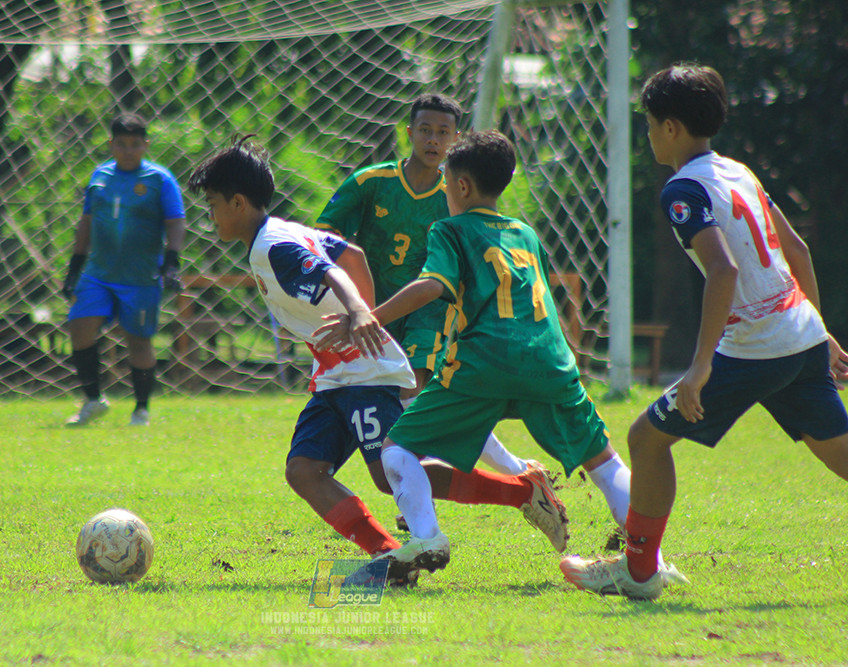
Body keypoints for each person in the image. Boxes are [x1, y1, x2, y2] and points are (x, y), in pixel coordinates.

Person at [187, 136, 568, 583]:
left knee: (390, 474)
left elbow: (332, 271)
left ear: (236, 202)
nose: (209, 215)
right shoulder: (282, 233)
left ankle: (520, 490)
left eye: (212, 204)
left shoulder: (273, 246)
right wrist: (363, 321)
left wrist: (361, 316)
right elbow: (354, 255)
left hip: (364, 370)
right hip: (335, 374)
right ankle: (389, 554)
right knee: (304, 471)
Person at [559, 63, 848, 600]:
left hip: (756, 348)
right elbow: (798, 250)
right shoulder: (739, 171)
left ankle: (639, 572)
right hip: (800, 335)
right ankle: (640, 568)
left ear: (670, 127)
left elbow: (724, 271)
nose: (647, 134)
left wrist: (699, 366)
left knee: (646, 439)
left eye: (648, 123)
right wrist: (821, 330)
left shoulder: (683, 189)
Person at [316, 130, 631, 577]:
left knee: (398, 449)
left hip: (485, 362)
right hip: (551, 362)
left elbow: (432, 286)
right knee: (605, 463)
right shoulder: (525, 232)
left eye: (447, 182)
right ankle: (648, 560)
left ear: (461, 186)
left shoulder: (449, 228)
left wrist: (370, 317)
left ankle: (426, 538)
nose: (444, 189)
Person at [316, 93, 537, 492]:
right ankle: (516, 468)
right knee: (415, 406)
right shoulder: (371, 183)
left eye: (443, 133)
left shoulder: (457, 194)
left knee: (411, 390)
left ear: (456, 138)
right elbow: (325, 237)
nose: (434, 140)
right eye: (425, 130)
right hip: (373, 307)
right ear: (409, 133)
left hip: (431, 310)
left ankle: (419, 497)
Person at [62, 112, 186, 427]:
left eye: (134, 144)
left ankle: (141, 409)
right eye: (121, 144)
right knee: (79, 326)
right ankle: (93, 400)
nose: (128, 150)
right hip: (98, 274)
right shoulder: (99, 177)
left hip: (141, 277)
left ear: (145, 145)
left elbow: (175, 221)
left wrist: (171, 262)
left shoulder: (160, 179)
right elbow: (87, 222)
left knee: (139, 341)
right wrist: (74, 266)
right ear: (111, 144)